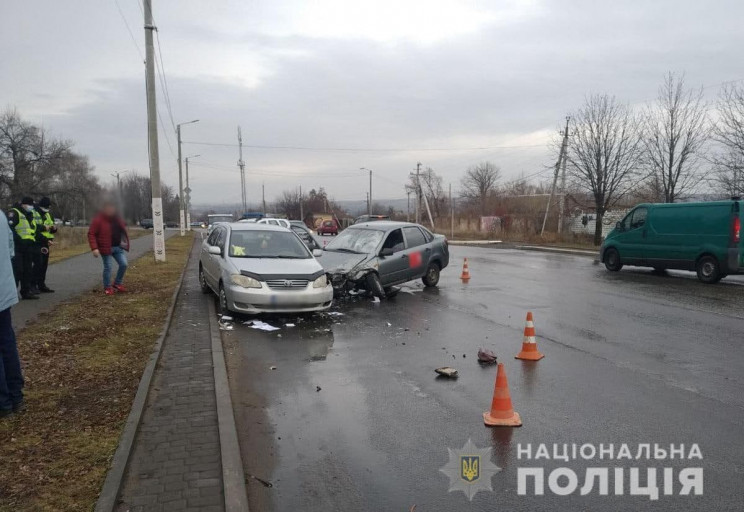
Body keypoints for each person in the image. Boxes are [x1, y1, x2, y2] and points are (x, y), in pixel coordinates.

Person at [0, 210, 25, 419]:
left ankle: (3, 403)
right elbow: (10, 250)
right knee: (7, 343)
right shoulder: (0, 215)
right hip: (3, 291)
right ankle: (16, 397)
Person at [88, 200, 130, 295]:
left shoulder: (117, 218)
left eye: (112, 207)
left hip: (118, 248)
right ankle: (107, 287)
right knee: (108, 267)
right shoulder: (98, 220)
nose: (110, 210)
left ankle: (117, 283)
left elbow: (122, 229)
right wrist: (94, 248)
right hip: (106, 248)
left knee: (124, 264)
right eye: (108, 208)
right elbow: (91, 234)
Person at [7, 197, 39, 300]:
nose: (32, 207)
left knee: (27, 270)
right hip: (18, 246)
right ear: (24, 204)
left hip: (28, 246)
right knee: (18, 270)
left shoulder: (29, 215)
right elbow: (10, 229)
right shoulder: (14, 213)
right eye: (30, 205)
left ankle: (26, 292)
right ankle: (13, 293)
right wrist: (20, 240)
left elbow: (33, 230)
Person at [34, 197, 57, 293]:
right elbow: (34, 228)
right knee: (37, 265)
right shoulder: (34, 213)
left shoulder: (48, 214)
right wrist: (45, 228)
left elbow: (52, 227)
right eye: (47, 207)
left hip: (46, 243)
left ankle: (41, 285)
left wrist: (54, 229)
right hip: (37, 242)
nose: (48, 209)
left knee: (44, 265)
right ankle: (33, 285)